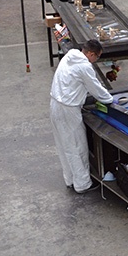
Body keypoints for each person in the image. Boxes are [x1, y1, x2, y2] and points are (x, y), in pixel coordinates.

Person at [50, 40, 113, 194]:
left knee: (64, 145)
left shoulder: (68, 57)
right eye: (97, 57)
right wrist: (111, 100)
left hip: (55, 104)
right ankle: (82, 184)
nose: (96, 60)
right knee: (77, 146)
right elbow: (96, 89)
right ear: (90, 54)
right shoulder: (84, 66)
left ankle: (70, 179)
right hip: (68, 109)